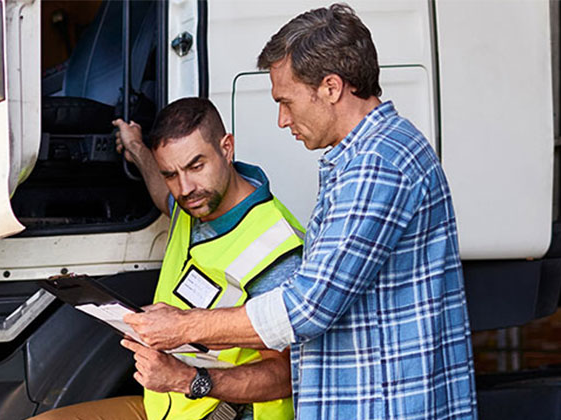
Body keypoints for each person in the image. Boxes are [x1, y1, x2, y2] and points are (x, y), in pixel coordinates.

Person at [122, 4, 478, 419]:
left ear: (331, 87)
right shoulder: (366, 157)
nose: (281, 119)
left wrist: (182, 328)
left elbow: (306, 308)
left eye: (286, 101)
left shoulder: (378, 165)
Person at [29, 97, 303, 420]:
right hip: (164, 408)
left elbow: (285, 376)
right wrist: (136, 149)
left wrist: (186, 379)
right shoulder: (191, 205)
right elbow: (163, 193)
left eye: (195, 166)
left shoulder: (276, 249)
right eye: (171, 173)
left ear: (227, 148)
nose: (185, 188)